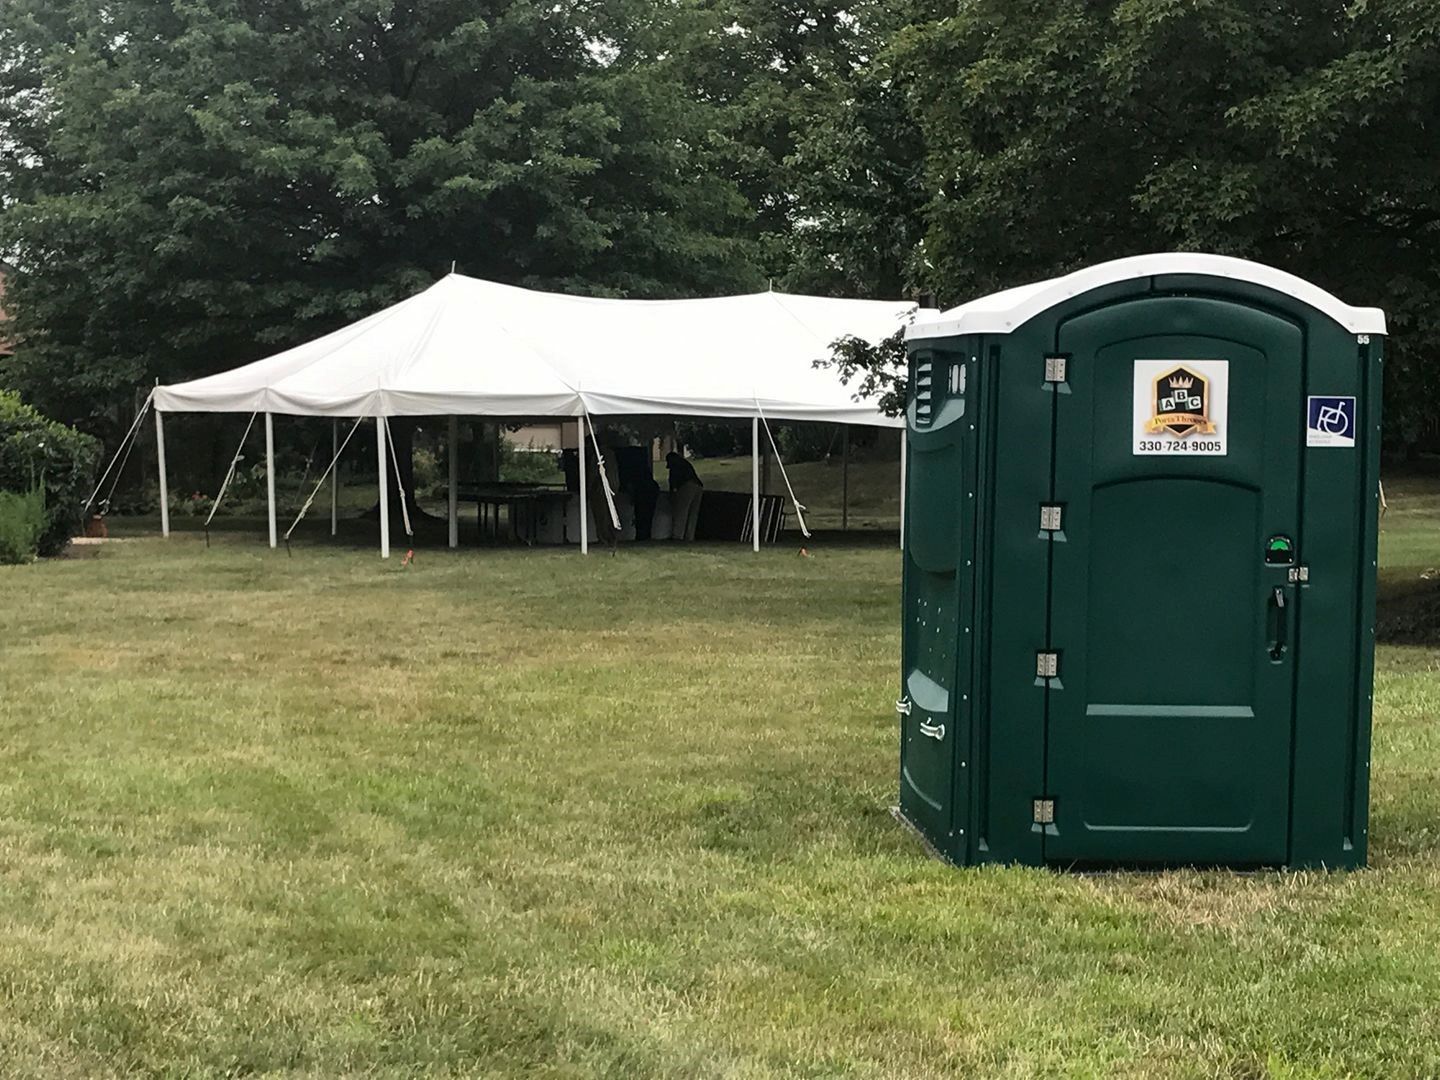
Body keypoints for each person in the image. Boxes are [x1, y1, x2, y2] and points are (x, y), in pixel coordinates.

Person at [666, 451, 703, 541]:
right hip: (698, 486)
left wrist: (672, 495)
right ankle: (689, 537)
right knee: (693, 514)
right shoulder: (685, 463)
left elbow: (673, 483)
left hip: (686, 486)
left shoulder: (674, 466)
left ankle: (677, 536)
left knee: (681, 511)